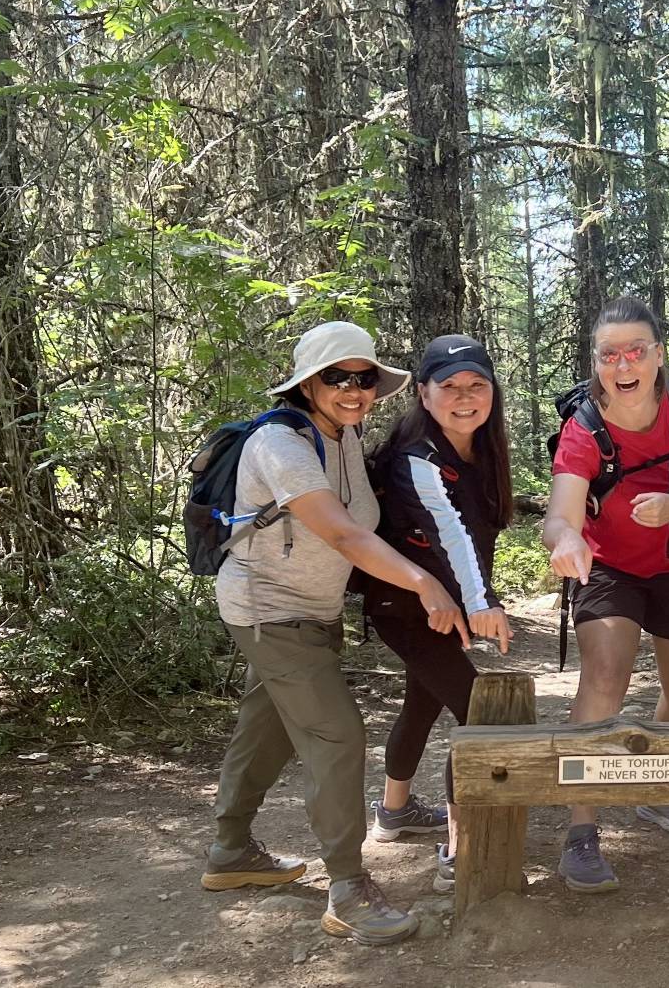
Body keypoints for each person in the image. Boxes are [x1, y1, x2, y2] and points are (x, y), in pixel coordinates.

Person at [203, 320, 467, 946]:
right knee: (338, 733)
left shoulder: (344, 435)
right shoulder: (280, 443)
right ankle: (347, 887)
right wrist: (423, 585)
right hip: (268, 610)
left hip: (311, 612)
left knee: (265, 727)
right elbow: (345, 534)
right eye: (337, 377)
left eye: (364, 378)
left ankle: (229, 851)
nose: (354, 390)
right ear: (307, 383)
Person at [543, 296, 669, 893]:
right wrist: (568, 540)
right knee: (605, 674)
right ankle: (582, 827)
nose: (623, 364)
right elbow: (558, 517)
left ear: (658, 355)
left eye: (636, 351)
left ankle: (657, 792)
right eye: (609, 354)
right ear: (597, 362)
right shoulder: (584, 430)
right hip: (610, 568)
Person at [361, 334, 515, 895]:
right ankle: (461, 847)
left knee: (424, 701)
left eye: (477, 385)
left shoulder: (480, 450)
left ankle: (394, 811)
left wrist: (476, 597)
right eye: (448, 387)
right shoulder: (416, 458)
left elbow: (477, 535)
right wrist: (482, 605)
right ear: (423, 395)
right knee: (478, 712)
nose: (465, 397)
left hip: (438, 603)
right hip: (404, 604)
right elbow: (449, 533)